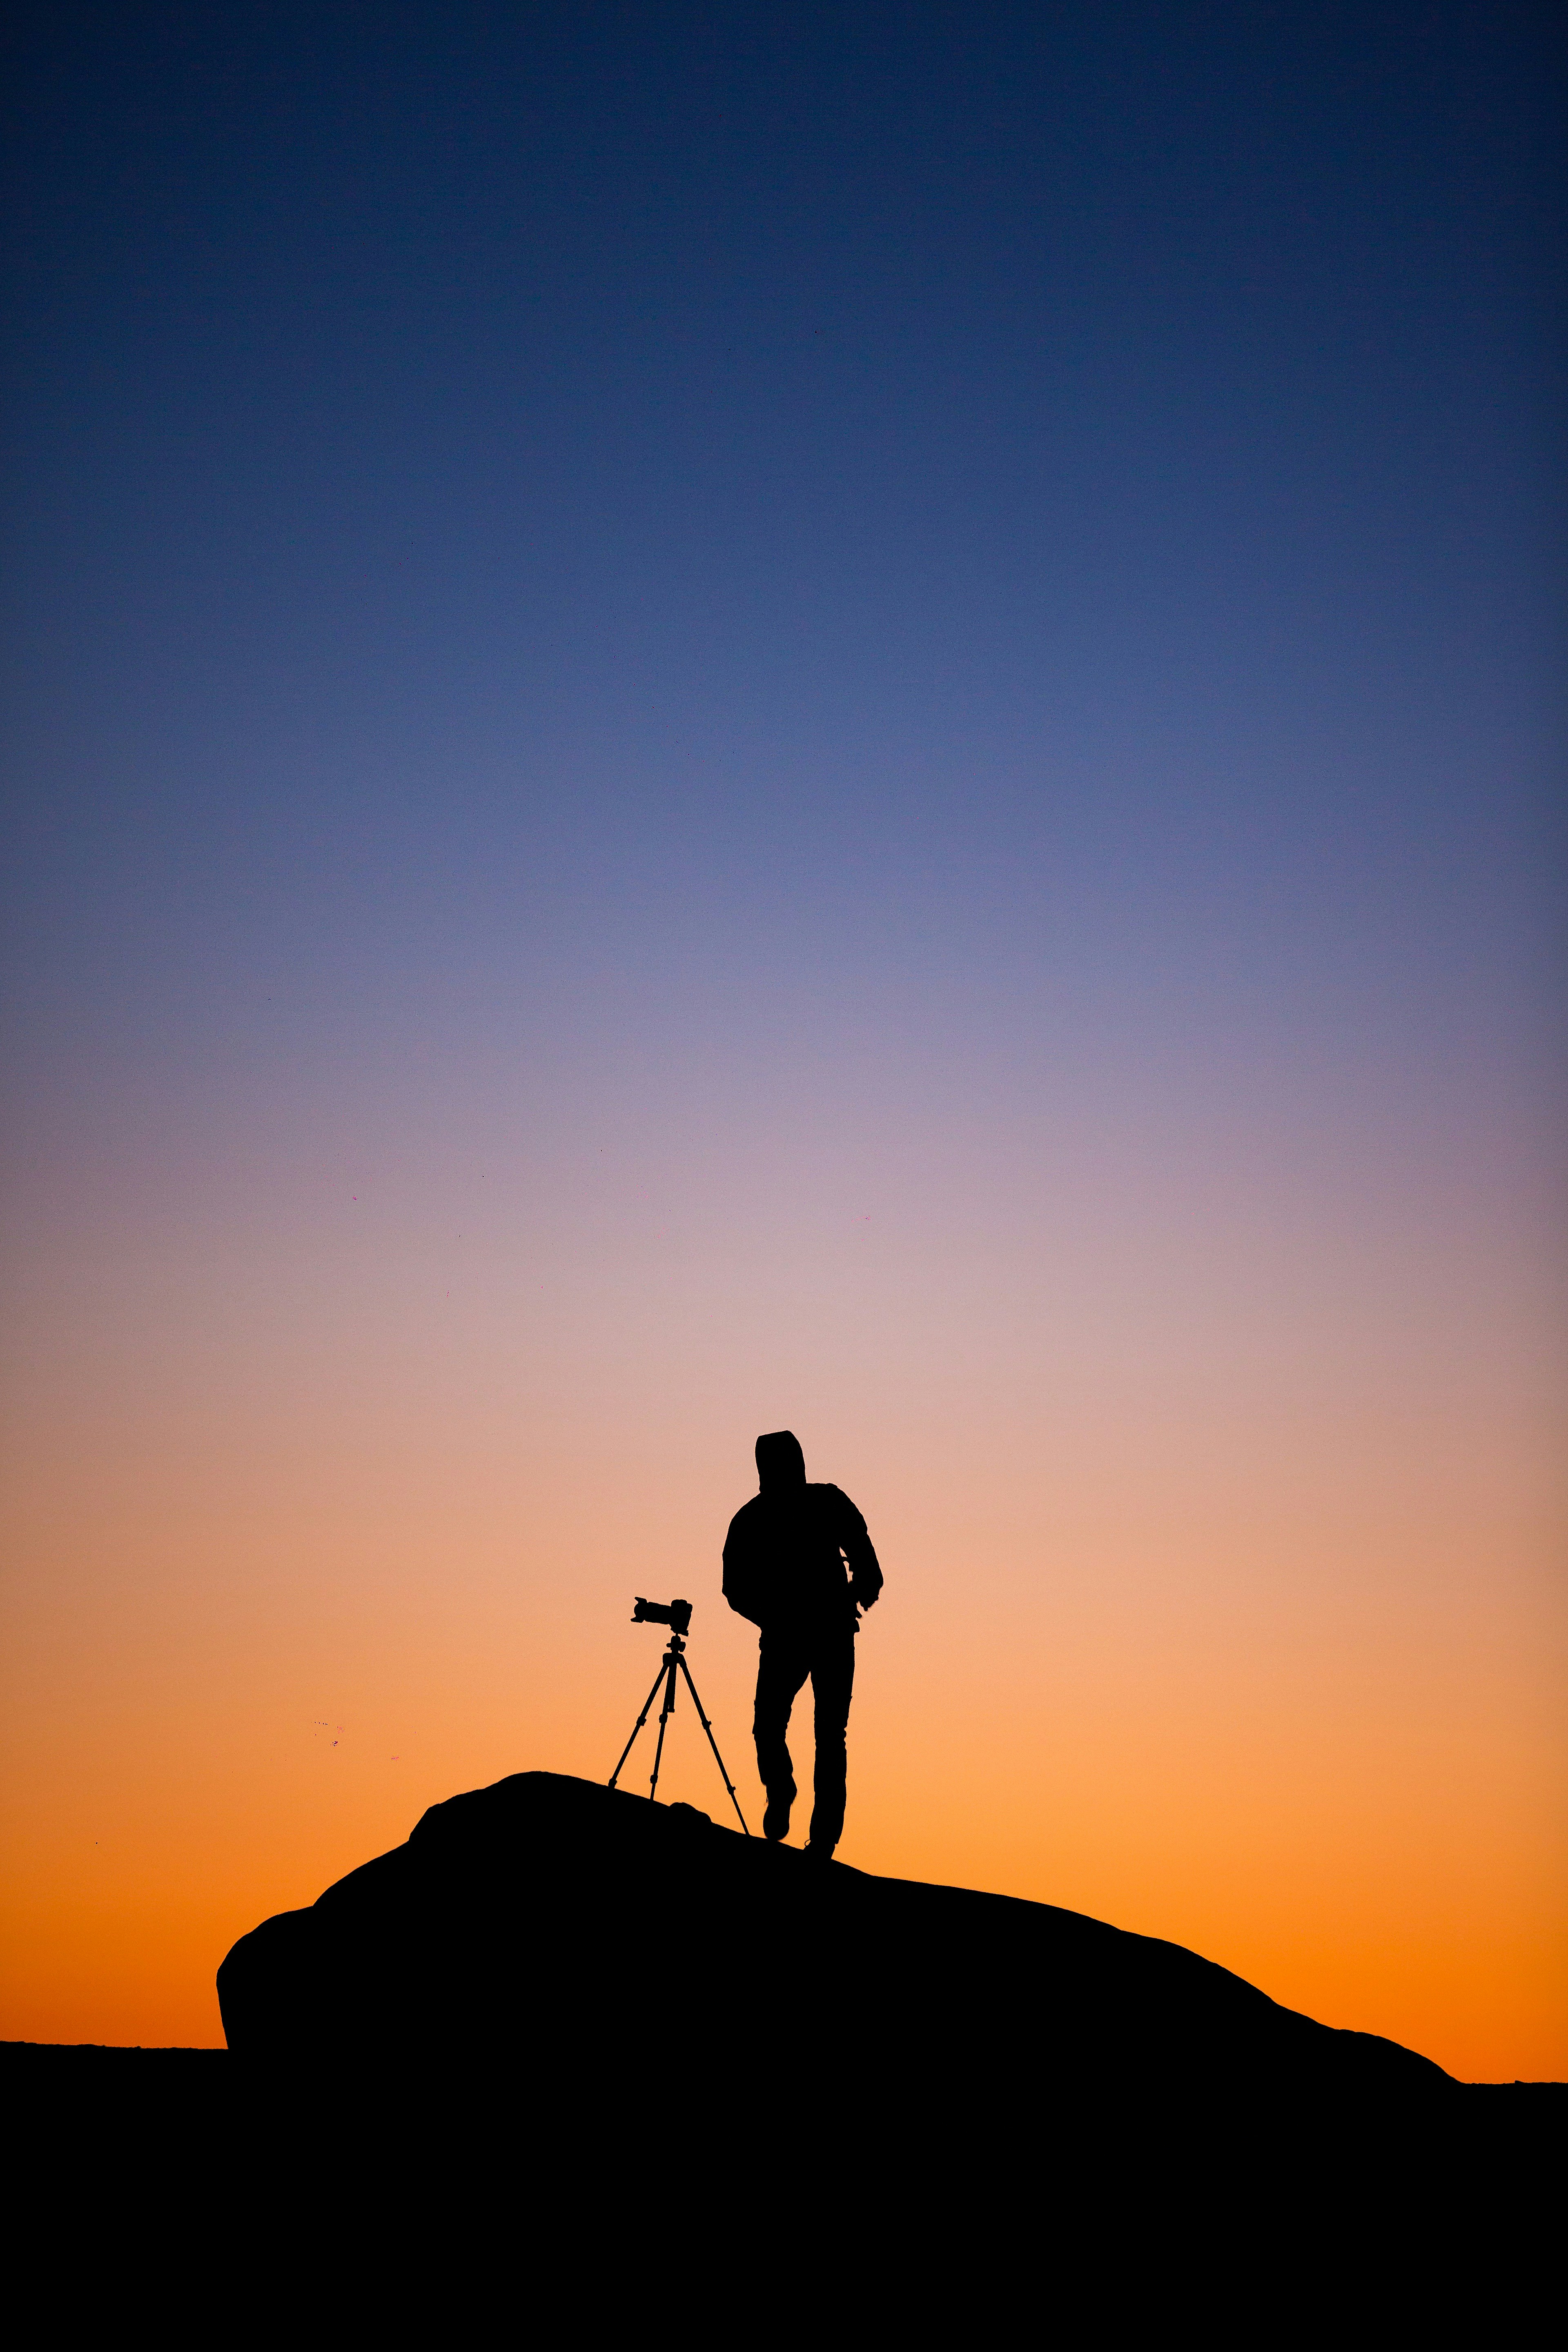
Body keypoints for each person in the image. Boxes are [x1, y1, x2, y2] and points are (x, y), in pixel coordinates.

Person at [722, 1430, 883, 1858]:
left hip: (816, 1636)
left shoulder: (808, 1505)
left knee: (817, 1734)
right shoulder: (760, 1517)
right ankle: (788, 1796)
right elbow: (734, 1587)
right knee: (791, 1731)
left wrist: (858, 1593)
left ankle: (821, 1835)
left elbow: (868, 1565)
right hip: (798, 1637)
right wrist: (777, 1616)